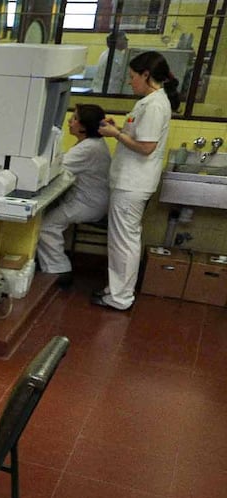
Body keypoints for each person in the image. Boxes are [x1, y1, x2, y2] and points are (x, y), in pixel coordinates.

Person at [95, 51, 180, 310]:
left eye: (133, 77)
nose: (130, 81)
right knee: (124, 240)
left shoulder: (155, 105)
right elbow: (139, 138)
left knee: (125, 241)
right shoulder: (150, 101)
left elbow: (146, 147)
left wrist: (115, 135)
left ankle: (120, 297)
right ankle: (118, 290)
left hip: (132, 184)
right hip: (129, 182)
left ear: (146, 75)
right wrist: (119, 130)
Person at [36, 103, 111, 285]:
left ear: (84, 127)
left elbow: (57, 169)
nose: (70, 121)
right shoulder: (92, 143)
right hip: (90, 199)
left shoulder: (89, 148)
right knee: (48, 214)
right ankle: (51, 265)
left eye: (75, 118)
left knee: (47, 225)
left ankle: (59, 270)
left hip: (88, 204)